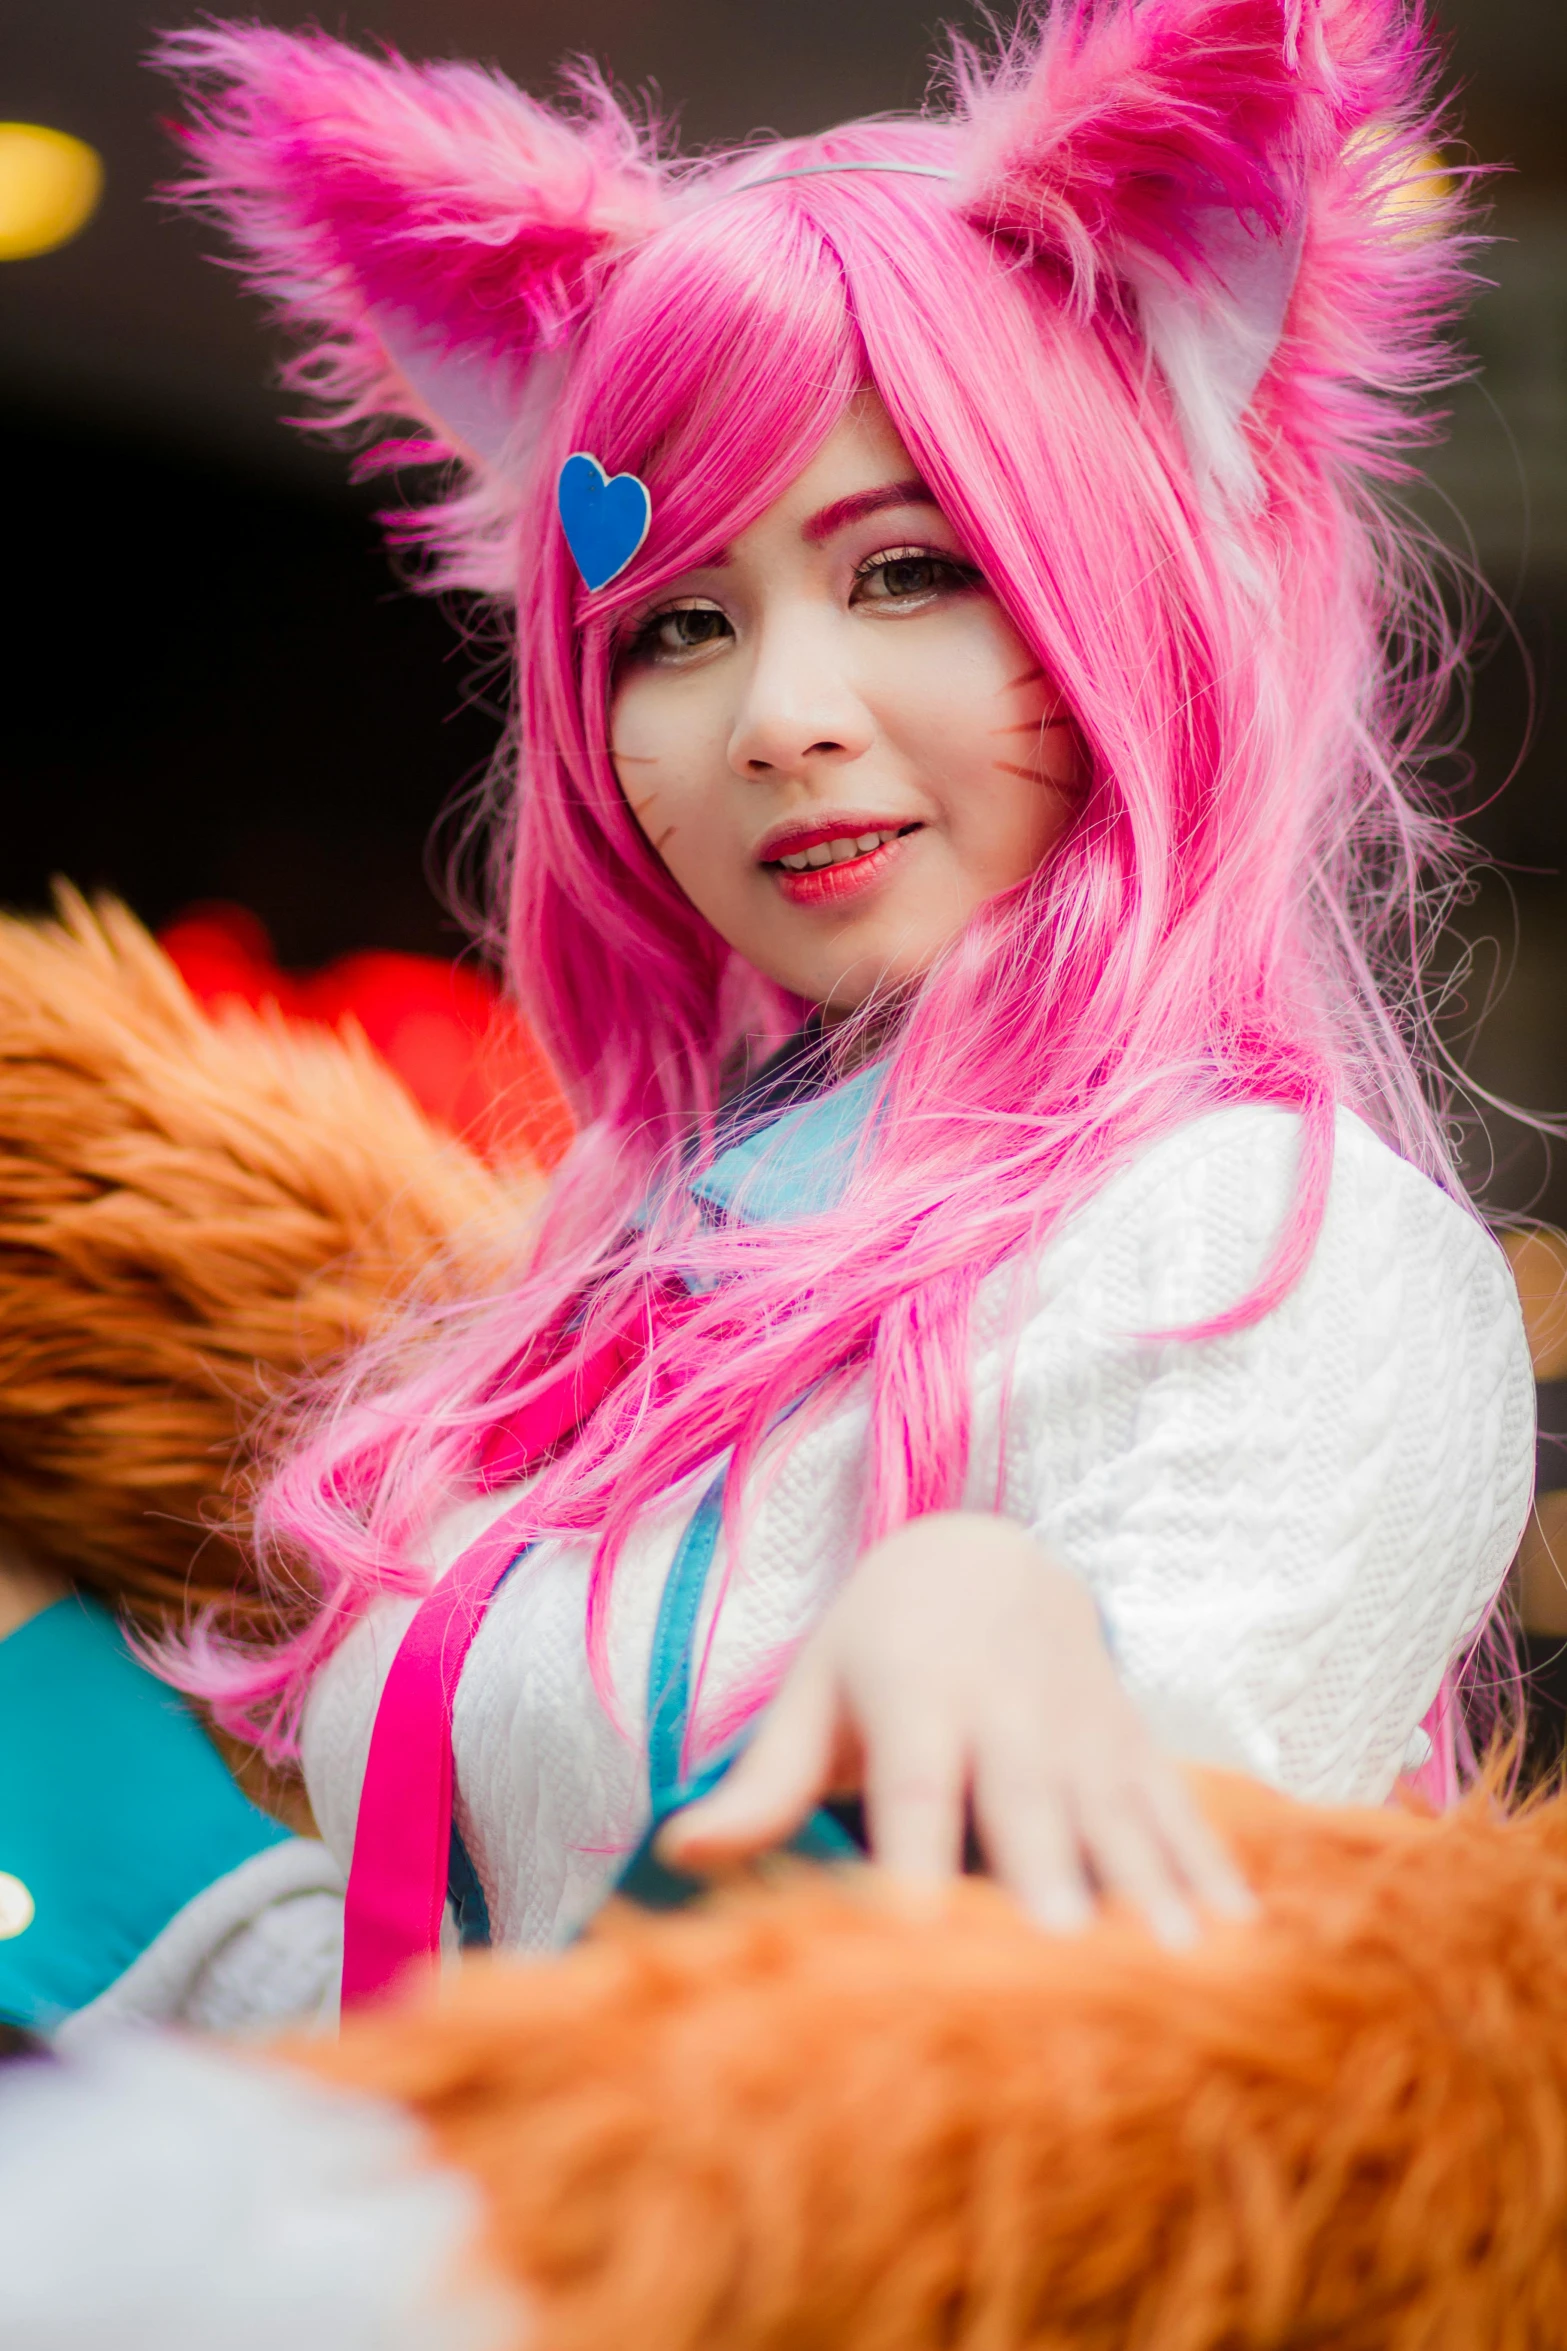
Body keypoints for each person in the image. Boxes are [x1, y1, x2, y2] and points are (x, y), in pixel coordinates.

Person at [37, 0, 1539, 2030]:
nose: (780, 717)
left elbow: (982, 2105)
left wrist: (1013, 1620)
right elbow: (472, 2056)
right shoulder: (608, 1288)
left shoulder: (1272, 1245)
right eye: (675, 622)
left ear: (1133, 582)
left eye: (909, 570)